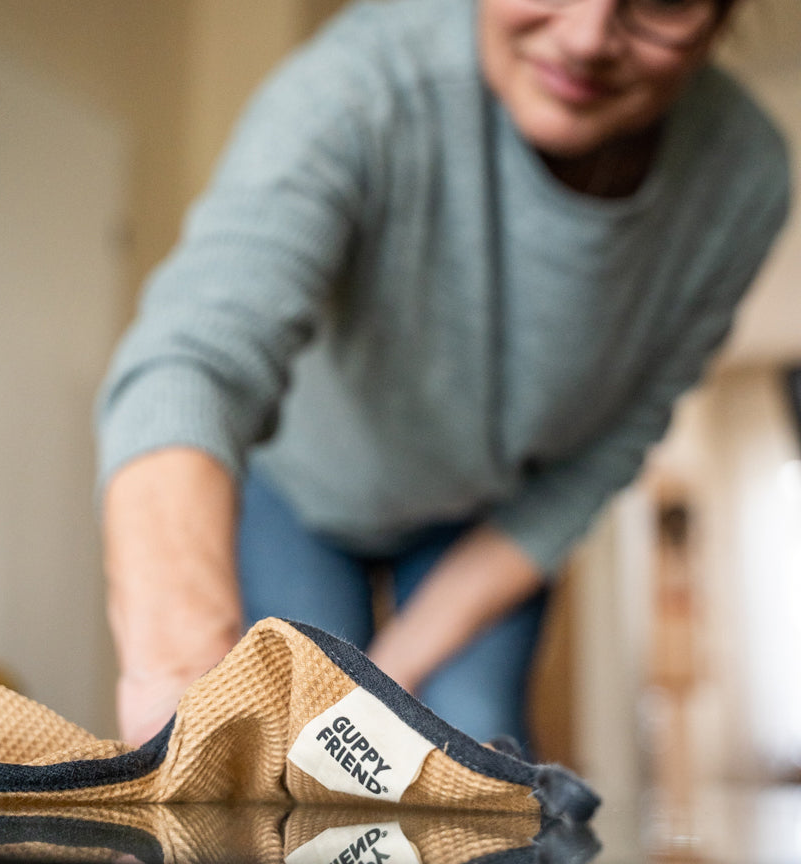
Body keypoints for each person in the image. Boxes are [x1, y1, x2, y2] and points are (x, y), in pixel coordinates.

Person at [97, 0, 790, 748]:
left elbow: (609, 452)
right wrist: (175, 674)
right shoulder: (360, 83)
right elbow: (193, 358)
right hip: (296, 495)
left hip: (486, 517)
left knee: (475, 737)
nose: (587, 39)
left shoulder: (744, 177)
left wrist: (391, 676)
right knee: (297, 750)